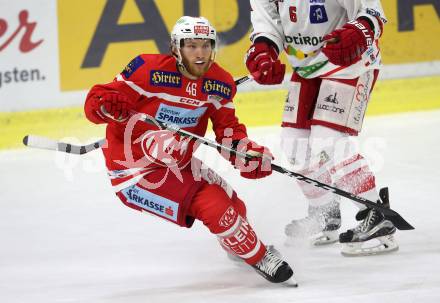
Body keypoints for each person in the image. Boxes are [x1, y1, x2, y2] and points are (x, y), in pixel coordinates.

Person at [83, 16, 297, 285]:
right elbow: (98, 98)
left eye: (206, 46)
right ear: (176, 48)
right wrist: (105, 104)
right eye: (191, 46)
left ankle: (238, 246)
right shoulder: (146, 69)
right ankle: (262, 258)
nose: (199, 54)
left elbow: (228, 132)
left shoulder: (219, 83)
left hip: (177, 163)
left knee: (236, 209)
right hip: (135, 172)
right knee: (214, 204)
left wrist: (246, 154)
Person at [245, 1, 398, 256]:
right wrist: (263, 50)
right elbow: (267, 23)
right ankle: (324, 212)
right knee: (294, 144)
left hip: (350, 62)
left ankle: (377, 214)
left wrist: (359, 31)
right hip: (307, 67)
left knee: (329, 141)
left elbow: (372, 11)